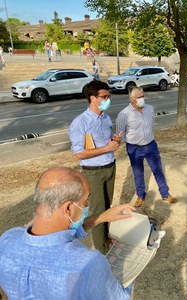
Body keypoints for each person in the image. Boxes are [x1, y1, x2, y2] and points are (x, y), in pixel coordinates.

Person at [0, 166, 135, 299]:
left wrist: (101, 218)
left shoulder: (7, 239)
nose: (86, 206)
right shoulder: (89, 265)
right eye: (85, 202)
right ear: (69, 208)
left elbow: (53, 240)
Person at [68, 80, 122, 254]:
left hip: (110, 168)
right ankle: (102, 249)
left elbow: (105, 144)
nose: (108, 99)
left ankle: (105, 238)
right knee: (98, 211)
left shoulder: (105, 118)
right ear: (93, 98)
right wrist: (107, 148)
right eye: (104, 96)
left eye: (109, 96)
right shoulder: (80, 123)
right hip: (93, 172)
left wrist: (114, 142)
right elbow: (79, 154)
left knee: (107, 206)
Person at [116, 86, 177, 208]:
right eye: (139, 97)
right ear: (131, 99)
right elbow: (120, 134)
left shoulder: (149, 109)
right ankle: (140, 195)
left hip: (151, 145)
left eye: (143, 96)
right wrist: (129, 142)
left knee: (158, 170)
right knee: (138, 172)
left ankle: (165, 193)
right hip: (134, 148)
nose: (142, 99)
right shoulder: (124, 114)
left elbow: (151, 125)